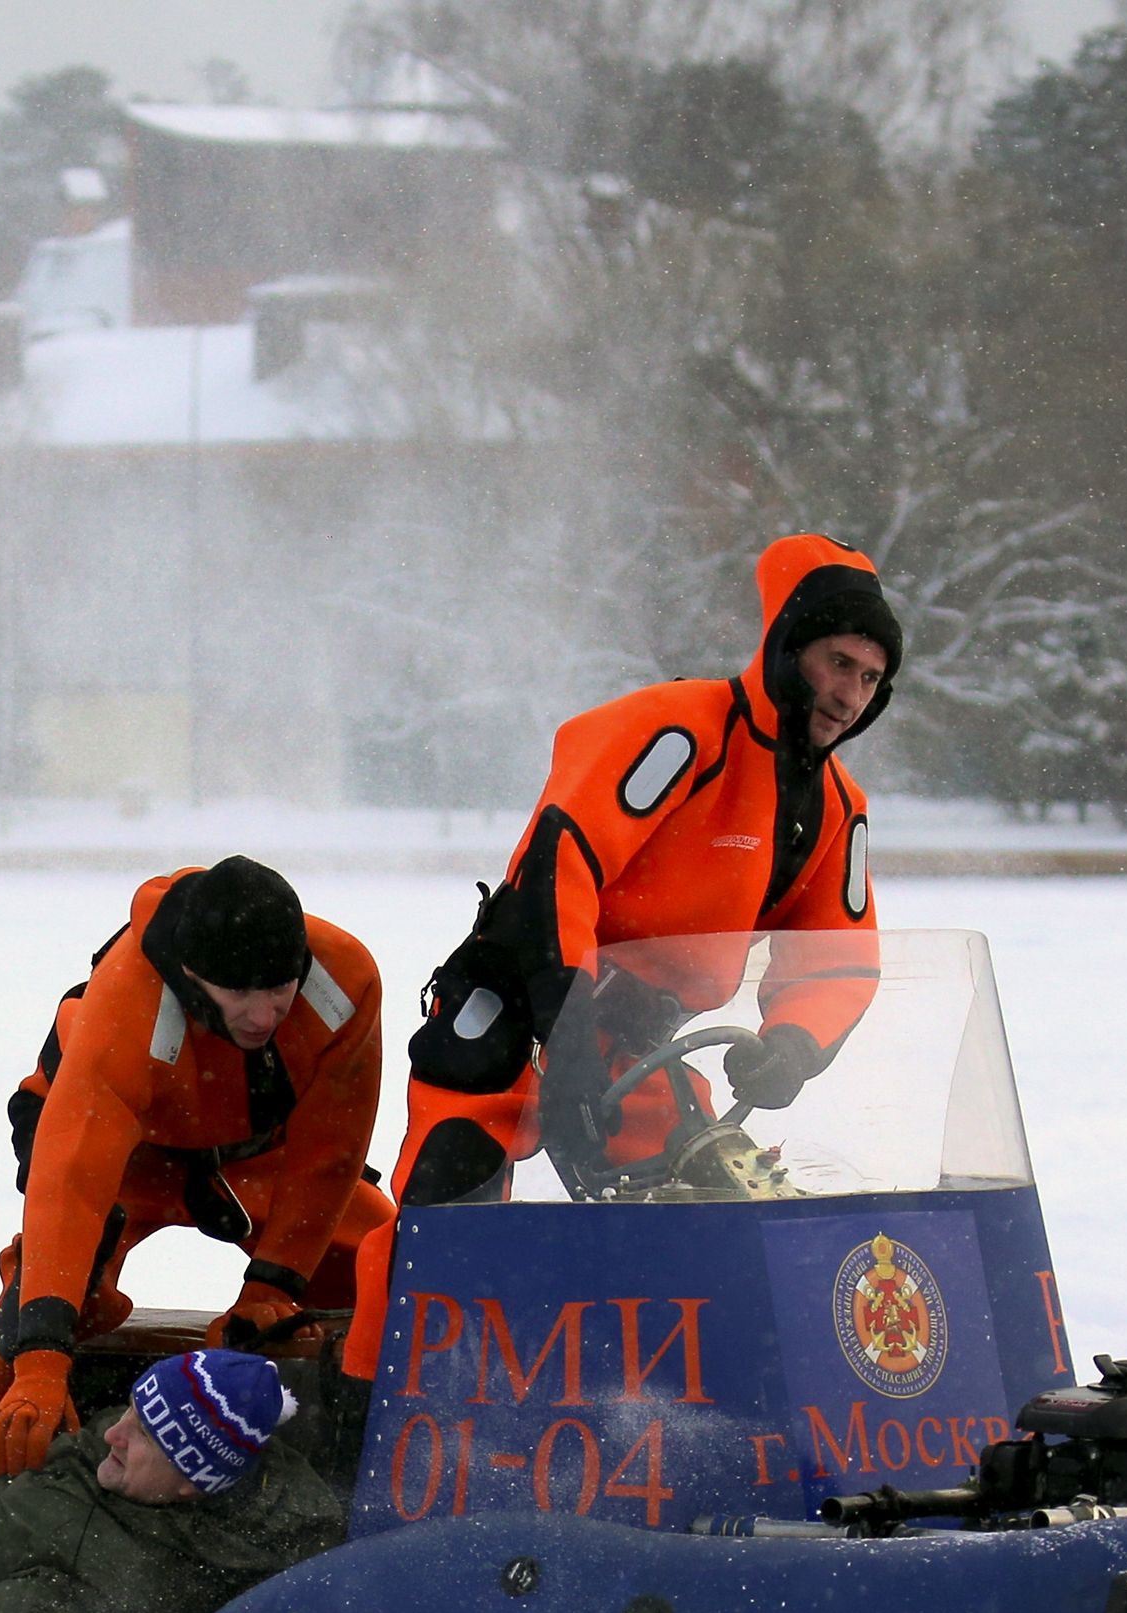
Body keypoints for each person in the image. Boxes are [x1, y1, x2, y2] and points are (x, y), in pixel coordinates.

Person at [344, 533, 901, 1375]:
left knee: (705, 1216)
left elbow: (835, 957)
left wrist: (791, 1042)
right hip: (515, 999)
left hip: (639, 1039)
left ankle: (681, 1416)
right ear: (789, 647)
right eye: (836, 662)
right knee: (444, 1223)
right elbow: (559, 862)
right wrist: (560, 1037)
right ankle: (373, 1411)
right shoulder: (676, 730)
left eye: (869, 677)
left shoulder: (831, 808)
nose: (848, 693)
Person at [0, 856, 390, 1476]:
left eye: (279, 988)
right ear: (193, 977)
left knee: (387, 1275)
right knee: (35, 1328)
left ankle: (363, 1469)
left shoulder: (344, 981)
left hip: (253, 1160)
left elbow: (329, 1152)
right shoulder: (125, 1006)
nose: (264, 1014)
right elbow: (72, 1185)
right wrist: (40, 1364)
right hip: (124, 1161)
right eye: (240, 993)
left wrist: (272, 1289)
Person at [0, 1348, 347, 1613]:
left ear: (192, 1482)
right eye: (132, 1409)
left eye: (143, 1433)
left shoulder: (129, 1595)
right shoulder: (143, 1469)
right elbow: (18, 1448)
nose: (113, 1431)